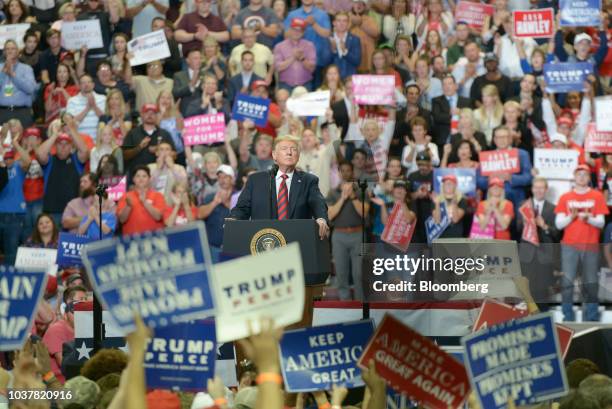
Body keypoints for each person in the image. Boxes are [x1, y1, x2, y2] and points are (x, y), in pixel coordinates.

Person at [230, 135, 329, 239]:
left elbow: (319, 204)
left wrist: (321, 218)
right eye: (284, 149)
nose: (289, 152)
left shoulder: (308, 181)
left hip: (296, 241)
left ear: (298, 156)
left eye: (294, 149)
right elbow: (242, 208)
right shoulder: (256, 180)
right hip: (263, 241)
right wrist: (234, 219)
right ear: (274, 155)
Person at [555, 164, 608, 322]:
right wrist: (571, 218)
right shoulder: (565, 197)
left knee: (591, 283)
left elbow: (601, 223)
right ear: (574, 176)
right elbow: (559, 224)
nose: (582, 177)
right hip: (569, 246)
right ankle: (567, 317)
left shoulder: (597, 196)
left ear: (588, 177)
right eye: (579, 174)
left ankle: (590, 318)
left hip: (590, 245)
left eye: (585, 174)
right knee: (567, 282)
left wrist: (588, 218)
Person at [36, 117, 89, 227]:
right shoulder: (50, 160)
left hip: (73, 212)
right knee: (53, 244)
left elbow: (85, 151)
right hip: (51, 212)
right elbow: (39, 154)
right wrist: (55, 135)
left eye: (67, 144)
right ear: (55, 146)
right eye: (60, 143)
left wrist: (71, 129)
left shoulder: (76, 159)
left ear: (71, 146)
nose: (64, 146)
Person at [327, 161, 369, 300]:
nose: (345, 173)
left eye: (348, 170)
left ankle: (361, 305)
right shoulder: (333, 192)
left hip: (358, 234)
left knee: (359, 274)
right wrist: (343, 198)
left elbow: (364, 213)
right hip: (339, 235)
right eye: (342, 170)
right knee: (341, 273)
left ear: (353, 172)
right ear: (339, 173)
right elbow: (330, 214)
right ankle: (346, 305)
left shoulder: (361, 190)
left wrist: (352, 196)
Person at [517, 177, 559, 309]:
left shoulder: (553, 208)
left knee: (542, 291)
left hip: (544, 255)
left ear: (546, 190)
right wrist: (525, 223)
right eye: (536, 187)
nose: (539, 190)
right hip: (527, 254)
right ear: (532, 189)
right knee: (526, 291)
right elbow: (517, 229)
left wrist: (544, 226)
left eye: (542, 188)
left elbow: (556, 234)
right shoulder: (523, 206)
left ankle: (543, 320)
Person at [121, 104, 175, 177]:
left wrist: (161, 151)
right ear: (142, 115)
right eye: (147, 112)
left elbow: (175, 155)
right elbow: (124, 155)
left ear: (157, 116)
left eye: (153, 113)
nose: (150, 115)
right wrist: (139, 147)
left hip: (161, 176)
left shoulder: (165, 134)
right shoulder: (132, 133)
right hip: (136, 177)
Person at [0, 140, 30, 264]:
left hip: (15, 214)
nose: (8, 160)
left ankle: (10, 280)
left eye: (10, 158)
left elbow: (28, 160)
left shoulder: (18, 166)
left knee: (11, 252)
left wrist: (16, 144)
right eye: (5, 158)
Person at [198, 164, 235, 261]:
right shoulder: (210, 197)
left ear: (232, 179)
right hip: (213, 249)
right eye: (219, 177)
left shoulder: (240, 196)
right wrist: (214, 203)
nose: (222, 180)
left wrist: (226, 203)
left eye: (225, 177)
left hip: (235, 249)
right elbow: (199, 215)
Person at [117, 165, 166, 235]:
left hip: (155, 238)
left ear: (149, 179)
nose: (141, 178)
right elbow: (121, 220)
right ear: (133, 179)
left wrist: (144, 202)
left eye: (144, 176)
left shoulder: (158, 195)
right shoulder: (125, 196)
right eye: (138, 176)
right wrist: (128, 206)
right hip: (132, 240)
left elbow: (158, 217)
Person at [0, 40, 37, 127]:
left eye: (13, 48)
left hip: (22, 112)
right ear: (4, 52)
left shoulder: (26, 69)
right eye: (7, 49)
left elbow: (30, 89)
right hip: (2, 112)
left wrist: (13, 75)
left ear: (17, 51)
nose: (10, 51)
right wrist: (2, 73)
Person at [273, 18, 317, 90]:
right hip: (285, 85)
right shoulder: (279, 46)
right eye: (294, 29)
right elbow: (278, 67)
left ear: (303, 32)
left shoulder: (309, 46)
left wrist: (302, 59)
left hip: (305, 84)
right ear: (290, 30)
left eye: (300, 30)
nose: (296, 32)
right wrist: (293, 57)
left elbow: (312, 68)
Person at [431, 75, 472, 150]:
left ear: (456, 86)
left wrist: (460, 114)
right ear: (442, 88)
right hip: (444, 140)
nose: (447, 87)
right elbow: (437, 117)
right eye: (444, 84)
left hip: (463, 139)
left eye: (450, 84)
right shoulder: (436, 101)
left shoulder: (466, 101)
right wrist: (451, 115)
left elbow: (470, 119)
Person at [65, 74, 106, 140]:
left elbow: (105, 119)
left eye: (89, 82)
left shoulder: (103, 98)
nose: (86, 85)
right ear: (79, 86)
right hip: (79, 140)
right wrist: (87, 108)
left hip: (100, 139)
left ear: (93, 85)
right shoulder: (72, 101)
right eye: (83, 83)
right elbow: (71, 123)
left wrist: (94, 106)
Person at [432, 174, 467, 238]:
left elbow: (455, 219)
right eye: (445, 183)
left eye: (450, 183)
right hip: (440, 237)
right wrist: (437, 204)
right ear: (442, 186)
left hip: (456, 237)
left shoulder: (462, 200)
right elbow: (437, 221)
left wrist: (454, 203)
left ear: (455, 186)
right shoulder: (437, 199)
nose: (448, 186)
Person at [172, 49, 204, 115]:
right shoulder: (179, 76)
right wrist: (192, 83)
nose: (199, 61)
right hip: (185, 113)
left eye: (200, 58)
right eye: (195, 58)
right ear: (188, 60)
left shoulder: (206, 74)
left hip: (203, 114)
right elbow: (176, 93)